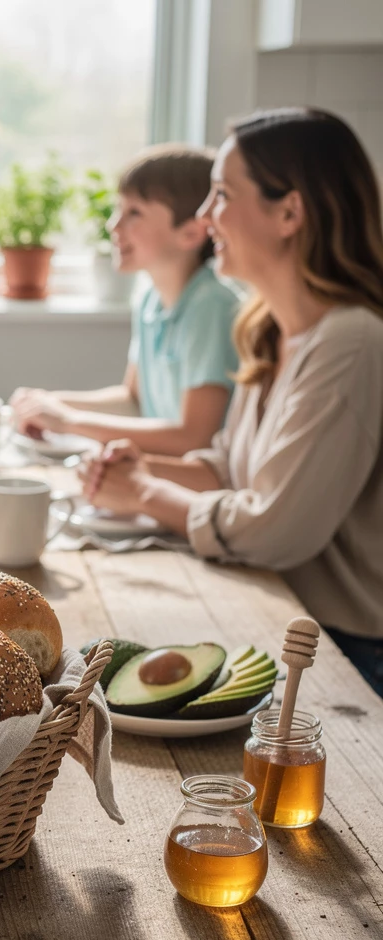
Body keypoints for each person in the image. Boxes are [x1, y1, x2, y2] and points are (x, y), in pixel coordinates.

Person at [81, 108, 383, 695]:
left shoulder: (352, 342)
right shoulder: (267, 325)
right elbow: (230, 467)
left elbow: (273, 527)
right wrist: (139, 468)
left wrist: (145, 492)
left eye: (221, 195)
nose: (204, 215)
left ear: (290, 212)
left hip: (348, 655)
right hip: (285, 614)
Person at [10, 145, 242, 456]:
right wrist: (50, 403)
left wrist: (70, 420)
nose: (113, 226)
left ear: (190, 233)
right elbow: (132, 400)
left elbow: (194, 437)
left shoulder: (210, 307)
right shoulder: (150, 301)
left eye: (134, 213)